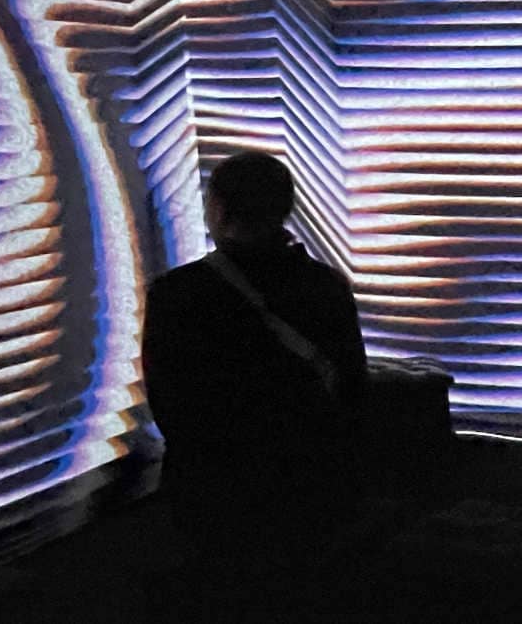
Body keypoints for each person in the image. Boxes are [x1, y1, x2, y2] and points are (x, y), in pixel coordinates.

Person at [141, 149, 369, 621]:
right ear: (285, 208)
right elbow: (352, 389)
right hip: (308, 484)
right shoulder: (326, 286)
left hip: (216, 491)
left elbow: (171, 405)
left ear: (218, 209)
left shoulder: (178, 294)